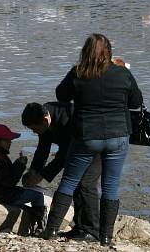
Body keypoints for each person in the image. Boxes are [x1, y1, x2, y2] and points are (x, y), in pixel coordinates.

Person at [40, 34, 143, 245]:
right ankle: (105, 237)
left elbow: (61, 95)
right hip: (118, 135)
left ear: (85, 52)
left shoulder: (78, 73)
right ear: (109, 52)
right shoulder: (122, 73)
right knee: (111, 186)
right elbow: (136, 101)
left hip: (87, 136)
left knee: (69, 182)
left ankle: (50, 232)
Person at [21, 101, 101, 241]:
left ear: (45, 120)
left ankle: (92, 230)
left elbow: (64, 155)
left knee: (85, 184)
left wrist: (43, 175)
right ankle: (79, 227)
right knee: (76, 185)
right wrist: (34, 171)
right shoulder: (42, 117)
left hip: (95, 144)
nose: (33, 132)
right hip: (77, 149)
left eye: (34, 128)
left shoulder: (67, 119)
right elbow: (42, 149)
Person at [0, 124, 47, 234]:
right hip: (2, 195)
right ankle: (41, 226)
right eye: (7, 140)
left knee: (28, 208)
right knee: (38, 196)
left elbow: (1, 177)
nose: (10, 143)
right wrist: (20, 165)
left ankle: (33, 218)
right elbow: (9, 182)